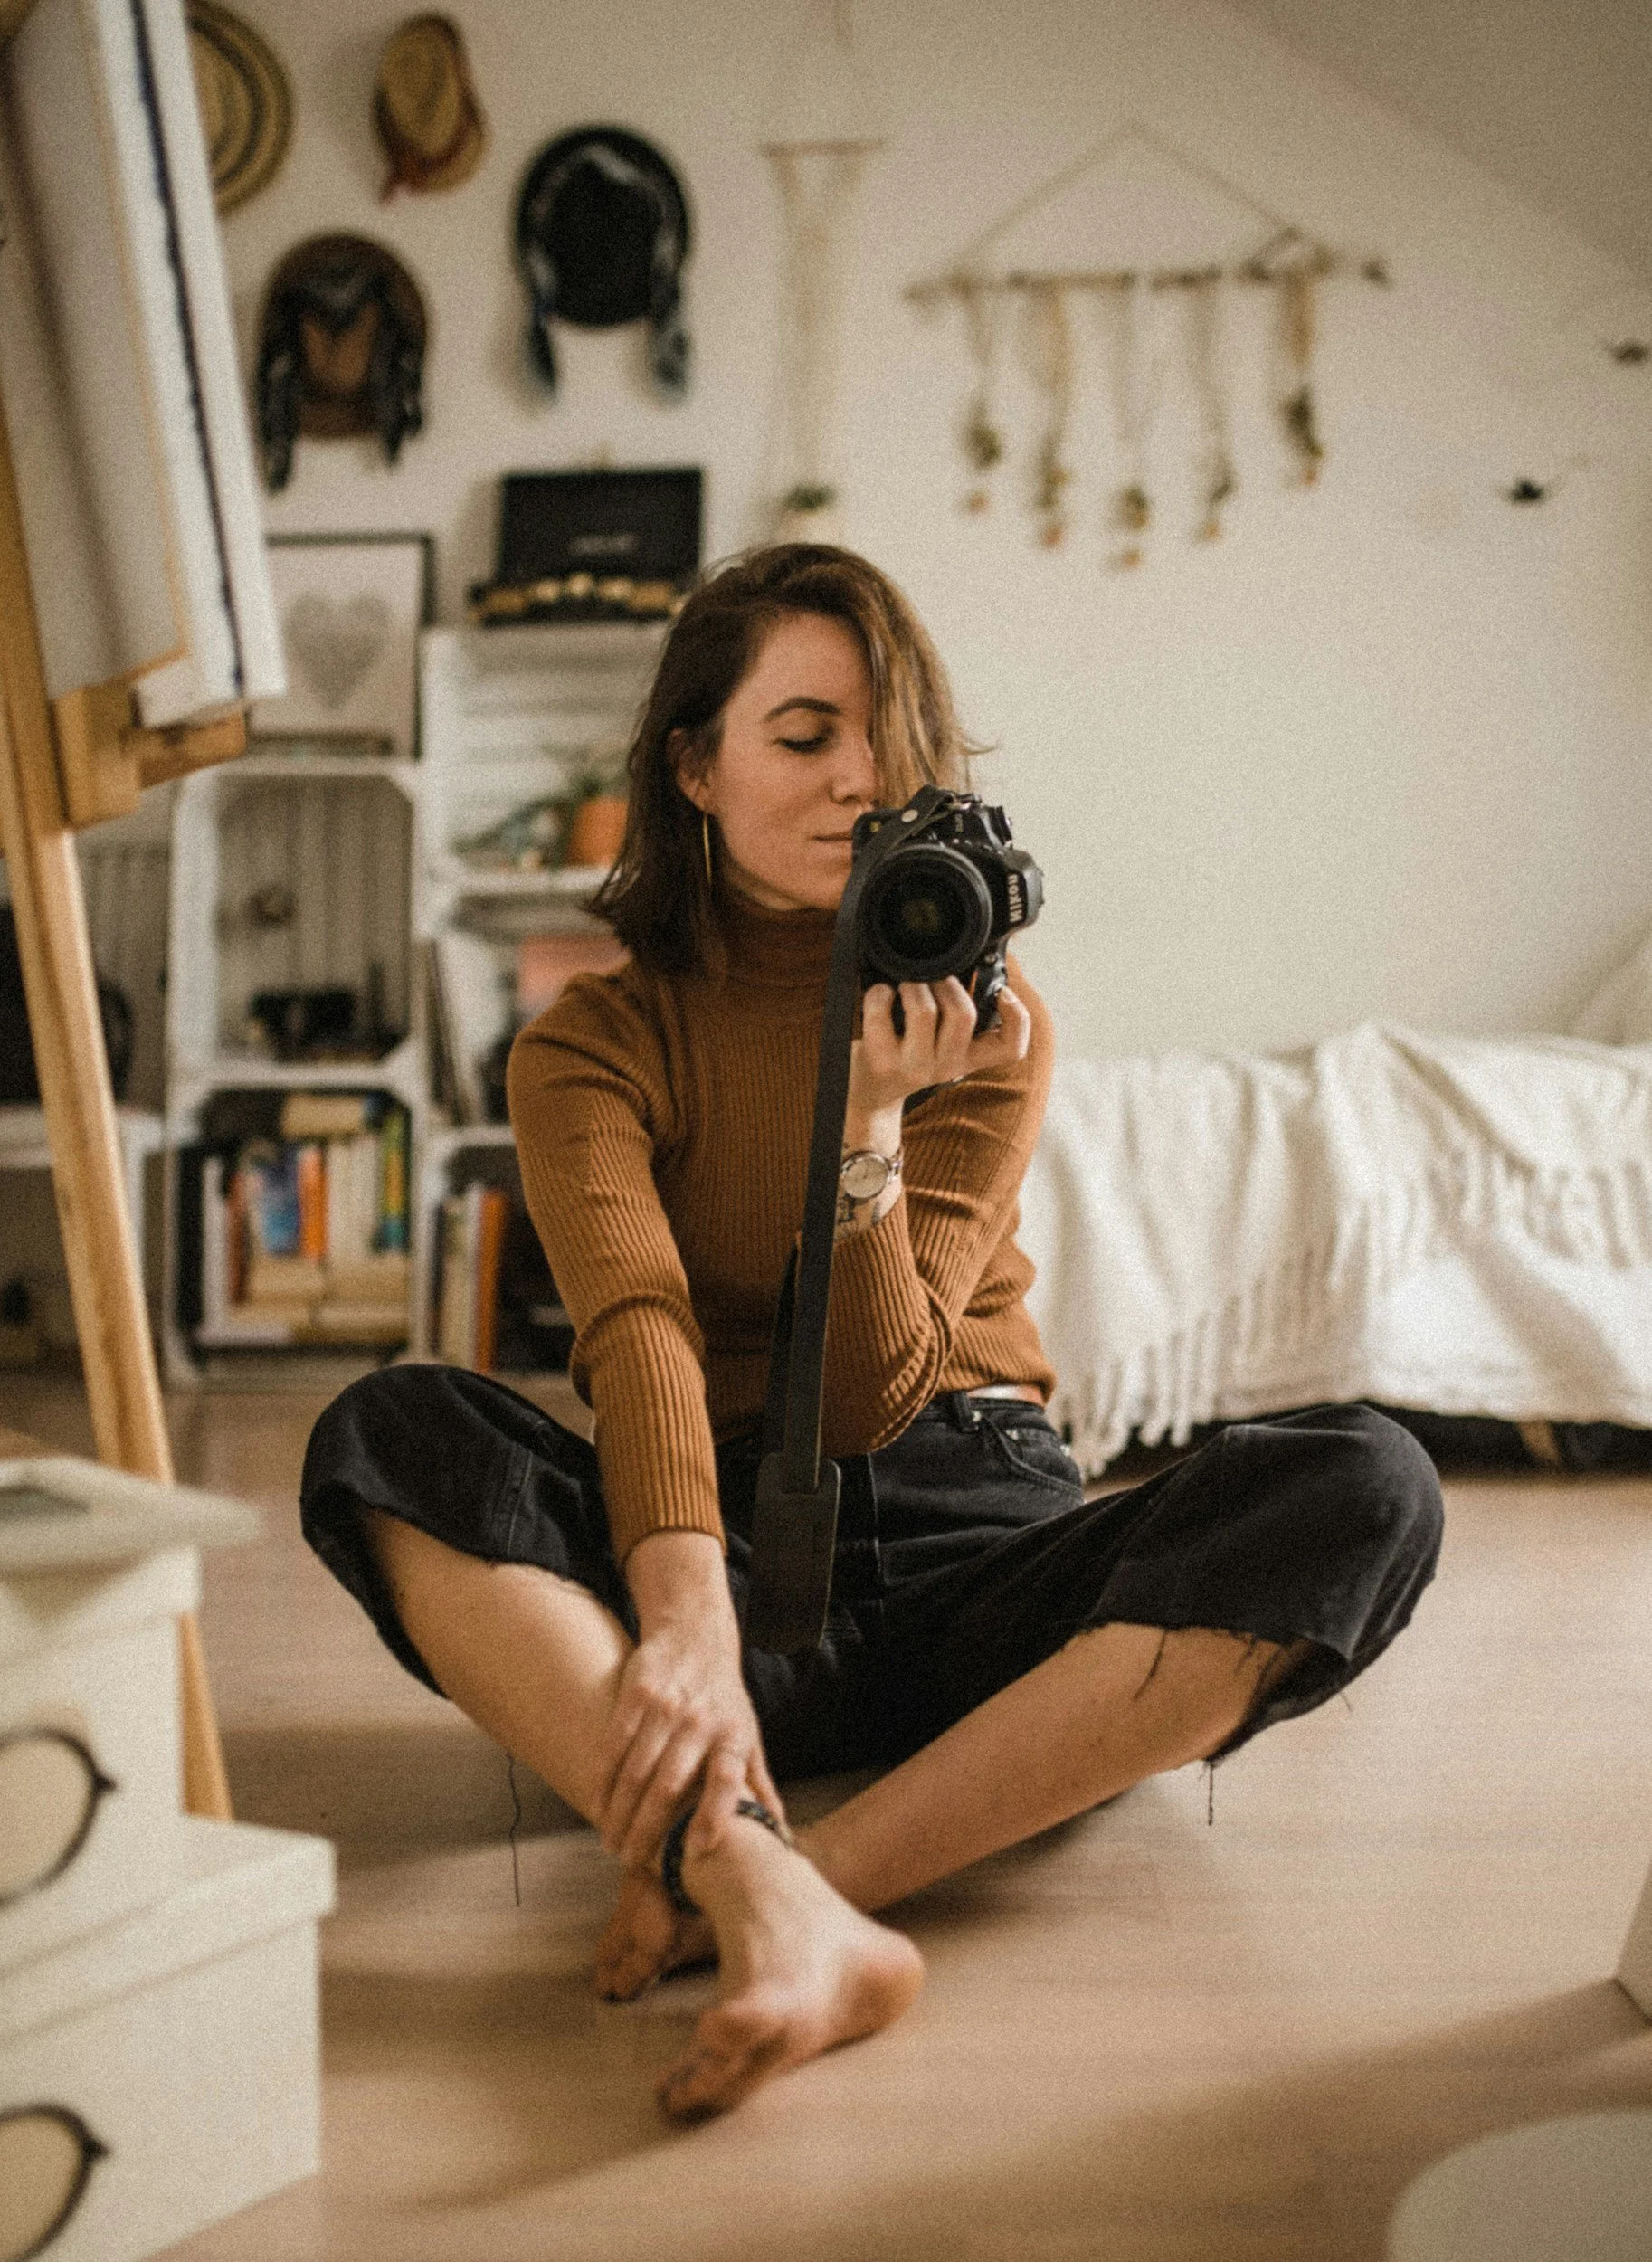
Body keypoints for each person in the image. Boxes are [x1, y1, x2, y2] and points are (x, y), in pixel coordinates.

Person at [301, 544, 1444, 2123]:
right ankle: (758, 1871)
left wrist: (871, 1124)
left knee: (1366, 1482)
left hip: (980, 1561)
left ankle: (789, 1881)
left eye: (889, 741)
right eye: (802, 734)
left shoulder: (990, 1022)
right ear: (693, 767)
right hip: (725, 1550)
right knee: (392, 1432)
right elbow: (638, 1329)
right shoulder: (593, 1041)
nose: (858, 778)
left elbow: (865, 1401)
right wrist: (688, 1627)